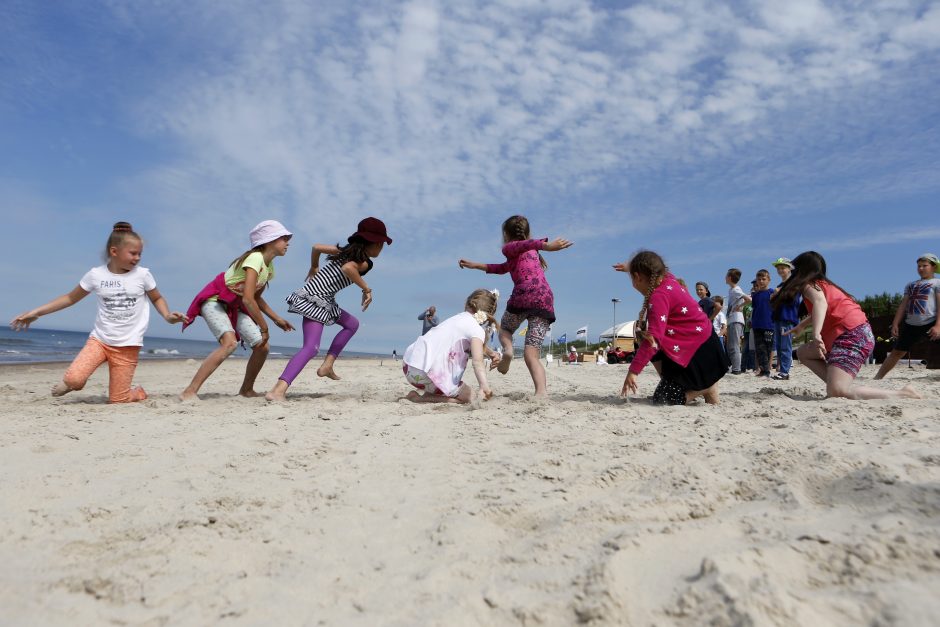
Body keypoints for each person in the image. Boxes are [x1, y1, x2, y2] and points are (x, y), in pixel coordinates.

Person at [10, 222, 187, 402]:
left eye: (140, 254)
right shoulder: (96, 275)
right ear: (114, 251)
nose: (138, 258)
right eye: (133, 253)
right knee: (74, 379)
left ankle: (138, 392)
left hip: (128, 345)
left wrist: (167, 316)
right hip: (100, 341)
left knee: (118, 400)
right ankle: (74, 383)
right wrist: (37, 312)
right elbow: (70, 298)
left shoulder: (143, 275)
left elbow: (156, 298)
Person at [267, 218, 391, 401]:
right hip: (316, 301)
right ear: (373, 243)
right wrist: (366, 289)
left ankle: (328, 365)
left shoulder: (343, 251)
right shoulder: (364, 263)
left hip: (320, 299)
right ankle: (278, 390)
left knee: (352, 324)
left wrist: (314, 265)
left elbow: (316, 247)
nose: (381, 248)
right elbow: (349, 268)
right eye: (380, 244)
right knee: (311, 348)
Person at [776, 251, 920, 399]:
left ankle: (903, 394)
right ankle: (836, 381)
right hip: (853, 334)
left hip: (852, 336)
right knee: (803, 353)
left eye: (793, 270)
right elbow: (827, 308)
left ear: (801, 270)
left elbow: (820, 303)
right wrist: (802, 326)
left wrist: (816, 333)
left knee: (838, 392)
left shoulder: (809, 285)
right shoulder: (825, 285)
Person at [458, 215, 572, 396]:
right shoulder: (531, 253)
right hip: (545, 301)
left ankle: (508, 351)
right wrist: (475, 265)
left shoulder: (511, 247)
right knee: (531, 354)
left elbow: (523, 245)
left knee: (505, 330)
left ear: (506, 234)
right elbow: (499, 268)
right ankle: (541, 394)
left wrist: (546, 246)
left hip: (523, 296)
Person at [180, 220, 295, 400]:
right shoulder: (255, 258)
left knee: (262, 347)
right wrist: (264, 328)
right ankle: (190, 391)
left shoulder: (269, 268)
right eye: (284, 238)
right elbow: (248, 299)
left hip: (233, 305)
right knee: (230, 343)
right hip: (215, 300)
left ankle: (246, 390)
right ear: (269, 240)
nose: (288, 242)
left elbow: (256, 298)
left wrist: (276, 318)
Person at [616, 251, 729, 405]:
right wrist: (631, 268)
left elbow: (653, 340)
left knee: (664, 400)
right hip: (707, 345)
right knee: (648, 341)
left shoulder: (659, 297)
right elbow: (656, 269)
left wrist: (633, 372)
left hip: (700, 355)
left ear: (638, 277)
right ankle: (700, 386)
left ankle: (705, 388)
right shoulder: (668, 279)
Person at [402, 289, 498, 404]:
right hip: (424, 375)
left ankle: (431, 392)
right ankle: (418, 398)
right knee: (469, 396)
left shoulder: (456, 319)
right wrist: (484, 386)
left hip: (409, 366)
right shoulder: (476, 330)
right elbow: (477, 361)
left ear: (467, 303)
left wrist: (491, 353)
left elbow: (474, 345)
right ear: (488, 316)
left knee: (441, 380)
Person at [874, 253, 940, 380]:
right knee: (897, 351)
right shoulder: (911, 285)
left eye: (924, 266)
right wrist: (895, 323)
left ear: (933, 267)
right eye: (919, 266)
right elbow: (903, 305)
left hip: (931, 322)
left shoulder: (937, 283)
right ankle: (878, 377)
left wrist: (938, 325)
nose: (921, 268)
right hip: (911, 324)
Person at [771, 257, 800, 380]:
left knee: (785, 345)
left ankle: (785, 371)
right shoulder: (780, 285)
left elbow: (792, 300)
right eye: (778, 268)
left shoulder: (793, 283)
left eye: (783, 267)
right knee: (779, 346)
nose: (780, 270)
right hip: (778, 317)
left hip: (787, 318)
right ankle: (782, 370)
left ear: (789, 269)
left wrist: (778, 293)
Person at [751, 269, 774, 377]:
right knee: (759, 349)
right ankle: (763, 370)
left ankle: (767, 369)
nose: (761, 281)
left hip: (769, 325)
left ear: (769, 280)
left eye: (763, 279)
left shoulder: (772, 293)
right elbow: (755, 308)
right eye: (759, 279)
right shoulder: (755, 295)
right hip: (757, 325)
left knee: (768, 348)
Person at [725, 268, 747, 374]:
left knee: (734, 345)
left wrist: (740, 306)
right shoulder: (731, 290)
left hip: (736, 319)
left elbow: (749, 299)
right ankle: (734, 366)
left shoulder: (736, 290)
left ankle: (737, 369)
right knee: (730, 345)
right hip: (731, 319)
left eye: (726, 276)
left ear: (729, 278)